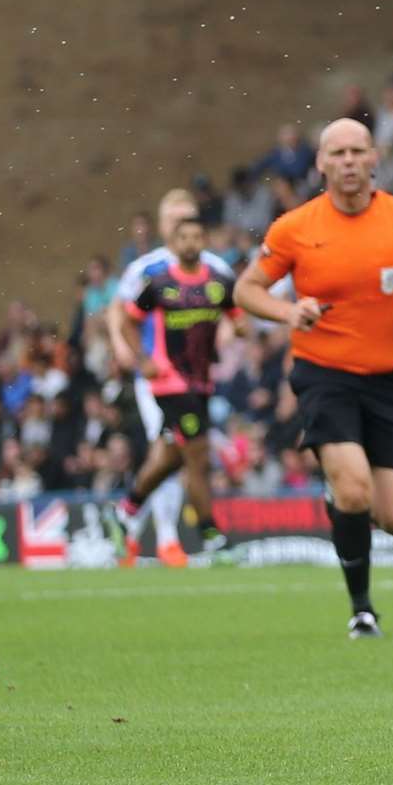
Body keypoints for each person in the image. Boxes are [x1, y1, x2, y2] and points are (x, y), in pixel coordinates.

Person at [234, 118, 393, 638]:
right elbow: (246, 289)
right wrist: (288, 312)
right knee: (355, 491)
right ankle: (362, 609)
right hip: (324, 374)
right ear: (321, 163)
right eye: (338, 153)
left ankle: (343, 504)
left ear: (375, 158)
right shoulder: (295, 228)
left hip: (392, 378)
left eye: (358, 151)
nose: (349, 162)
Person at [111, 215, 243, 564]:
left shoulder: (217, 282)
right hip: (169, 383)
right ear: (173, 242)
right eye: (183, 237)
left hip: (201, 382)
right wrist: (142, 359)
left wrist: (237, 330)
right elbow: (126, 320)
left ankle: (126, 509)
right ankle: (212, 536)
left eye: (196, 236)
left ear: (204, 240)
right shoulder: (158, 283)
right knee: (197, 457)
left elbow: (238, 316)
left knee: (172, 457)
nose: (190, 243)